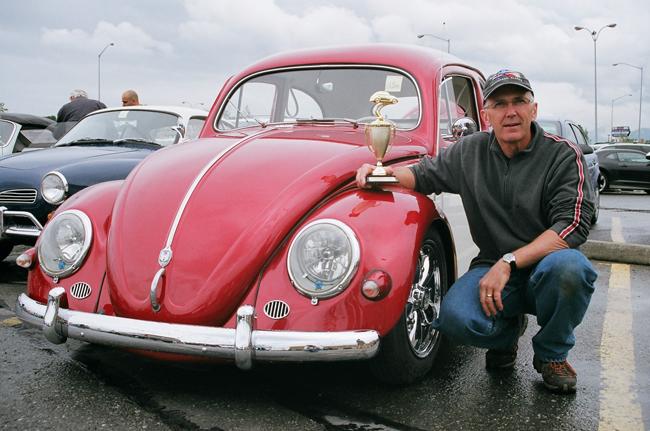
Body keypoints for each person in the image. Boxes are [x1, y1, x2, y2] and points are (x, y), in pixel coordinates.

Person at [356, 69, 597, 394]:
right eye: (499, 104)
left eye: (519, 101)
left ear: (533, 109)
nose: (510, 112)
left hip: (547, 266)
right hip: (492, 264)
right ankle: (506, 335)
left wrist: (509, 262)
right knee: (455, 318)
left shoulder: (562, 154)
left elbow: (572, 225)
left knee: (572, 270)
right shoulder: (470, 151)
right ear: (486, 115)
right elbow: (423, 174)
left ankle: (552, 354)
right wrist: (380, 174)